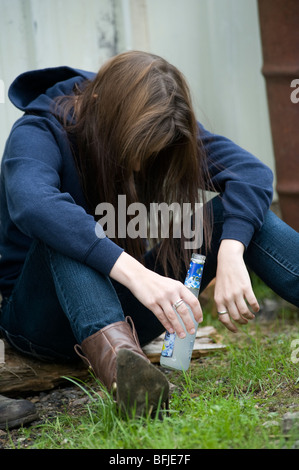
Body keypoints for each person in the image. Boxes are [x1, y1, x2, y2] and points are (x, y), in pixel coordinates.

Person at [0, 51, 298, 417]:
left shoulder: (148, 114)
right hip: (40, 319)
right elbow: (33, 203)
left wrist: (232, 251)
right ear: (101, 110)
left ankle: (132, 366)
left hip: (126, 313)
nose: (140, 166)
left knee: (241, 217)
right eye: (134, 150)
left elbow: (250, 171)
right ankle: (132, 387)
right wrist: (139, 274)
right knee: (62, 229)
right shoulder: (38, 131)